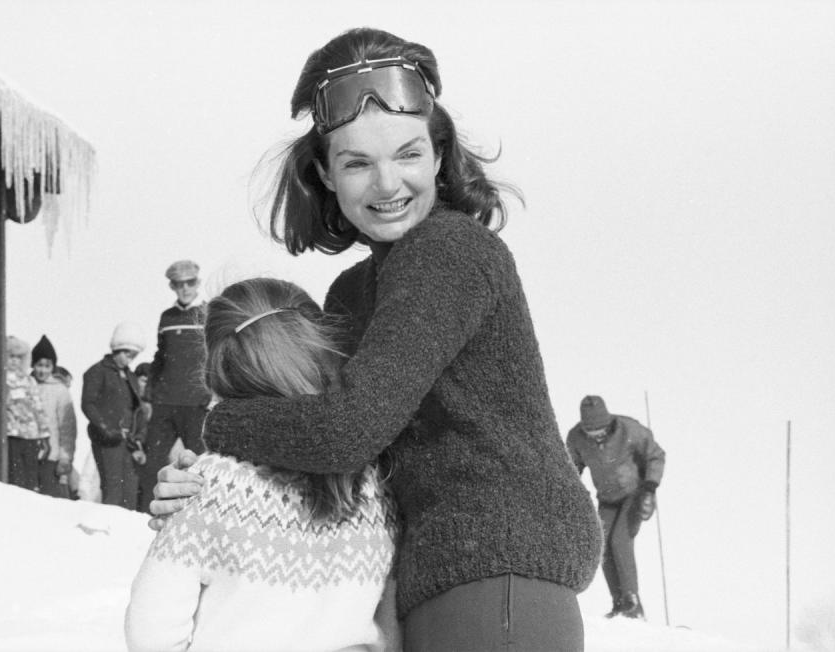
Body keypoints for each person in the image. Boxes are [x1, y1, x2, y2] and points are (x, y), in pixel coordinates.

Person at [151, 28, 602, 651]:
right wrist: (212, 486)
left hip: (499, 566)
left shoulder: (449, 251)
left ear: (440, 156)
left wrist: (218, 430)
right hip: (432, 581)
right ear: (325, 174)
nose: (388, 183)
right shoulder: (354, 292)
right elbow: (319, 445)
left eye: (408, 154)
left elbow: (344, 431)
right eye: (358, 162)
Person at [126, 277, 398, 652]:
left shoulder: (208, 487)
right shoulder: (374, 483)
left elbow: (150, 630)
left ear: (219, 372)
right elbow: (391, 619)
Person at [566, 395, 666, 619]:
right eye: (591, 433)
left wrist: (650, 488)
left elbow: (655, 455)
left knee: (620, 541)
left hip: (635, 495)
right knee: (602, 546)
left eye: (600, 431)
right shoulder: (576, 437)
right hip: (607, 499)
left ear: (608, 423)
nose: (597, 437)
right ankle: (619, 602)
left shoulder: (629, 429)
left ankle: (632, 600)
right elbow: (571, 466)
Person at [139, 260, 211, 511]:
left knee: (199, 463)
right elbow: (161, 356)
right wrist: (150, 394)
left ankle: (198, 513)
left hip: (196, 403)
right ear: (172, 286)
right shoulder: (167, 317)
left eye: (190, 283)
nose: (185, 289)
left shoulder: (207, 313)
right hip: (165, 402)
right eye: (179, 285)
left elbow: (215, 355)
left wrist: (210, 394)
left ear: (197, 283)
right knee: (153, 462)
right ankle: (141, 514)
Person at [80, 322, 148, 510]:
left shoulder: (131, 377)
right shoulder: (97, 372)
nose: (129, 359)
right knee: (113, 489)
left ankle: (125, 534)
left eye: (133, 356)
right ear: (117, 349)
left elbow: (138, 410)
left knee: (130, 490)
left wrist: (138, 438)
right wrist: (105, 428)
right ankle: (109, 531)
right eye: (127, 354)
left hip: (129, 442)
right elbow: (88, 404)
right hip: (108, 440)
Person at [31, 335, 77, 498]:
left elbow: (67, 428)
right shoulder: (26, 385)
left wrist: (65, 458)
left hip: (51, 456)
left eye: (47, 366)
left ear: (53, 367)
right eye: (39, 365)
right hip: (29, 452)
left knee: (49, 499)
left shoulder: (60, 390)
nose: (42, 370)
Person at [5, 335, 50, 492]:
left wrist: (44, 434)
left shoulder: (29, 381)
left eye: (19, 357)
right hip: (12, 432)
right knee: (15, 474)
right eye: (11, 356)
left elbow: (38, 407)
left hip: (31, 434)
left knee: (30, 474)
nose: (15, 361)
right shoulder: (2, 379)